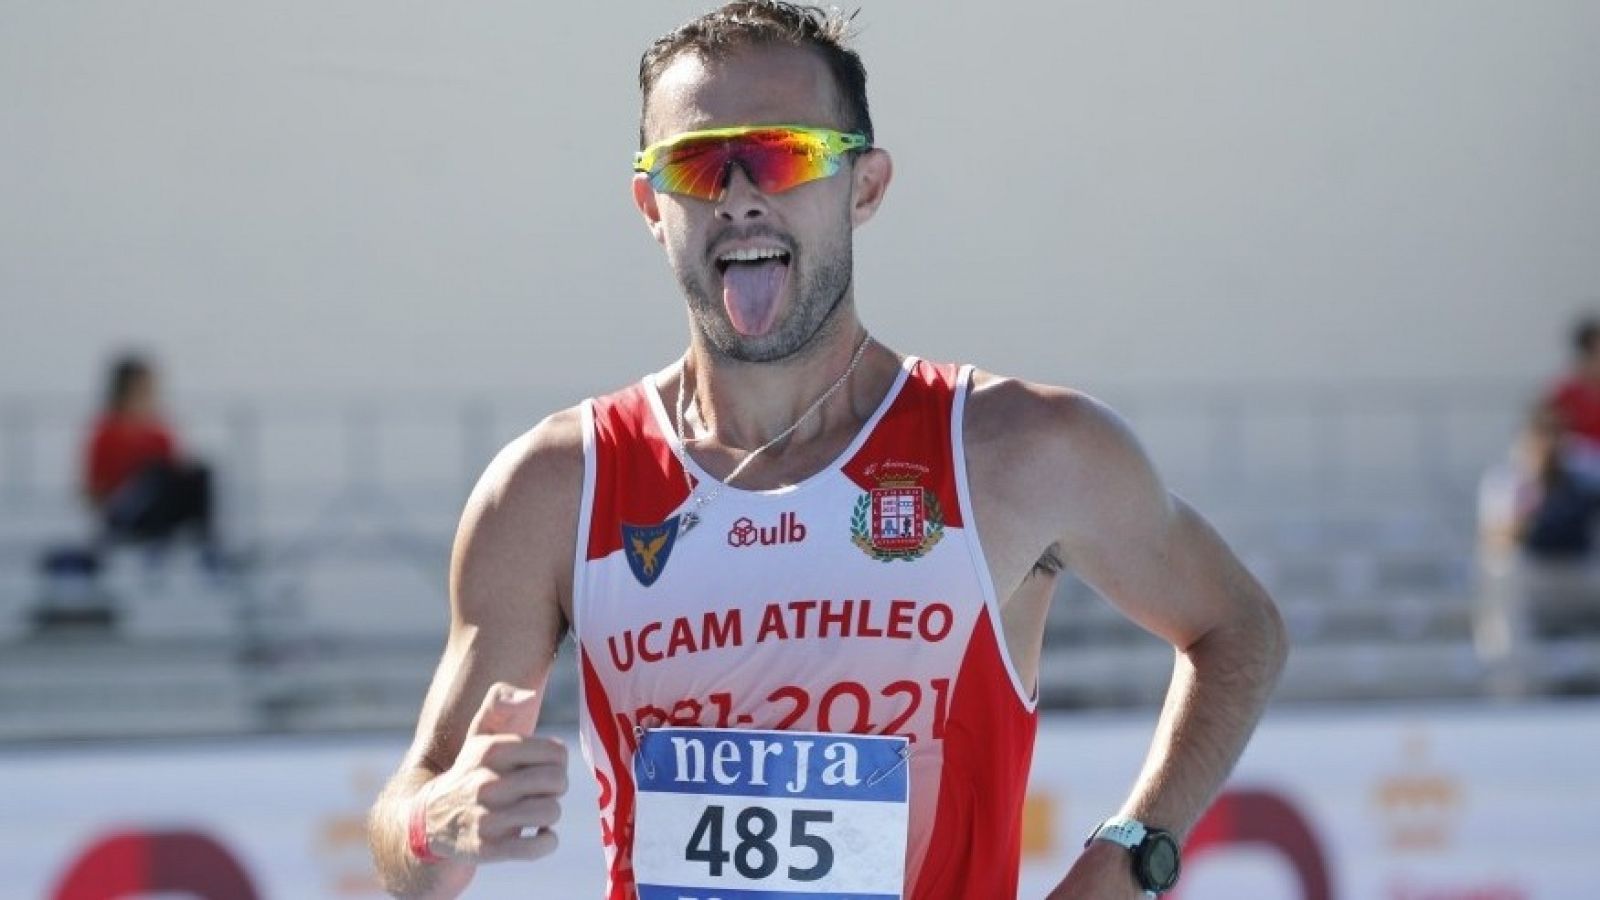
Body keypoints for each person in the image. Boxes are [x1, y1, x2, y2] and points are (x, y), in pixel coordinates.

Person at [367, 4, 1288, 898]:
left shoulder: (1019, 448)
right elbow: (409, 830)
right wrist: (436, 824)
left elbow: (1239, 629)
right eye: (698, 165)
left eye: (783, 154)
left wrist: (1132, 857)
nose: (740, 196)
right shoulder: (556, 487)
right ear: (652, 203)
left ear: (867, 185)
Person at [82, 353, 220, 559]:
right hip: (126, 511)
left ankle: (205, 547)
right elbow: (93, 488)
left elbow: (177, 471)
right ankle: (157, 544)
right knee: (157, 473)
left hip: (162, 507)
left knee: (198, 472)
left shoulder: (159, 432)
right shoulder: (107, 431)